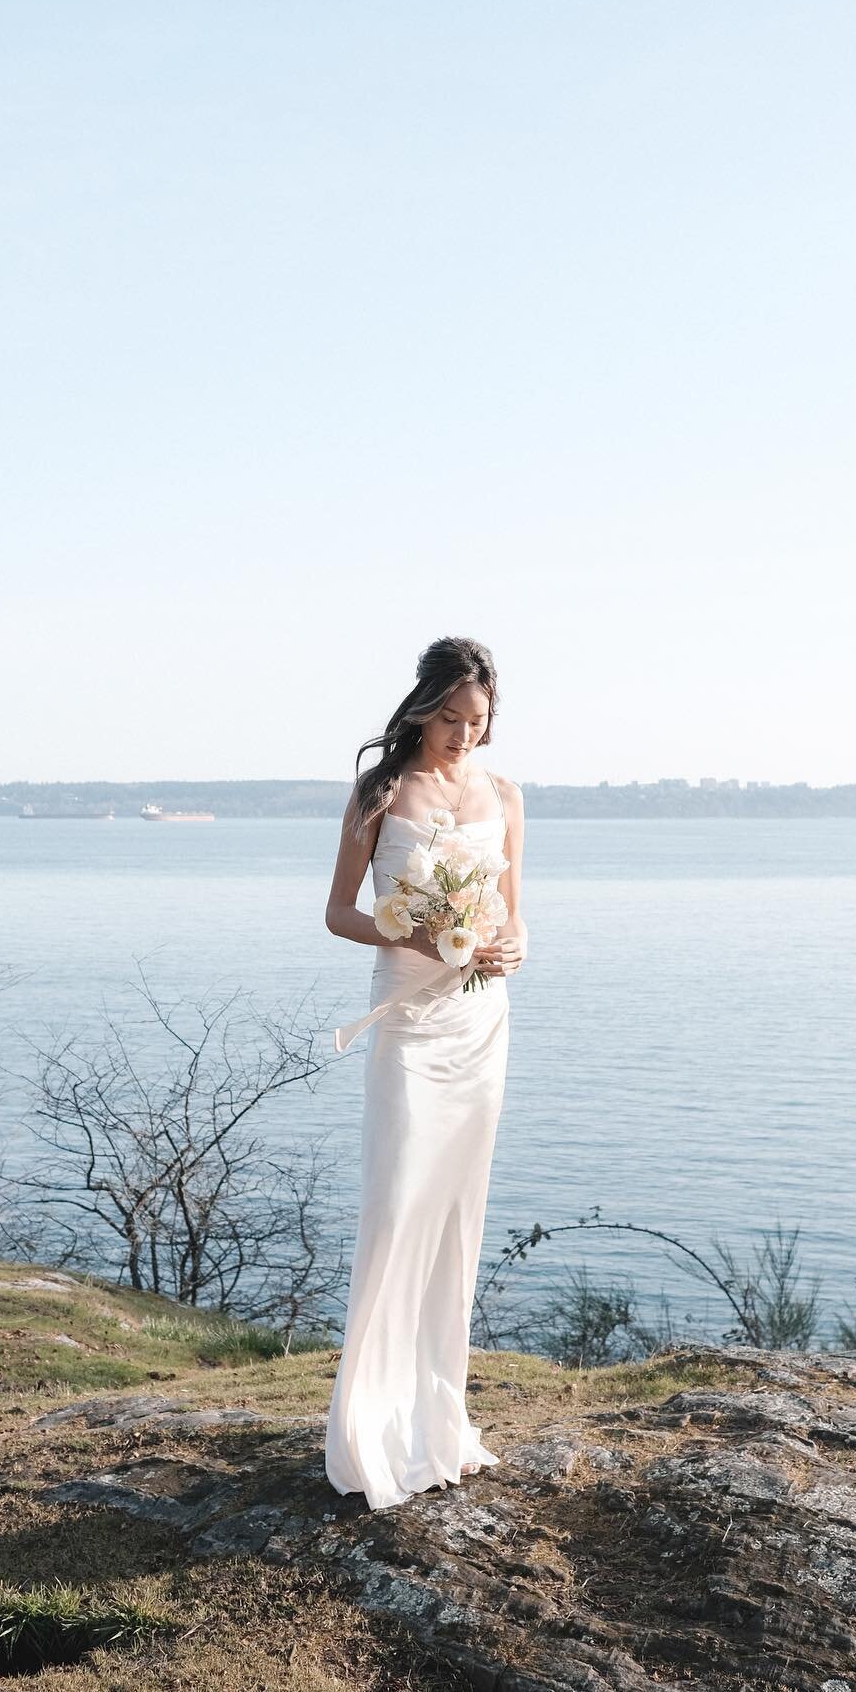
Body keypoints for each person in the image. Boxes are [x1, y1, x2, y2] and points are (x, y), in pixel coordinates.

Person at [323, 636, 528, 1510]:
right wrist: (403, 932)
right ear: (420, 709)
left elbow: (515, 919)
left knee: (454, 1215)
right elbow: (339, 912)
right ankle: (369, 1427)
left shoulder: (507, 795)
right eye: (450, 719)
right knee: (399, 1200)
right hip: (409, 1019)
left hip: (479, 1019)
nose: (463, 738)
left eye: (477, 723)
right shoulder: (380, 791)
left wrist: (513, 946)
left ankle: (436, 1421)